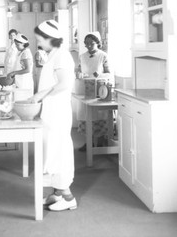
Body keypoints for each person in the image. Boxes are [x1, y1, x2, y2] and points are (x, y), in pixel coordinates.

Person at [32, 20, 77, 211]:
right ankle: (57, 194)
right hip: (51, 112)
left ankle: (68, 197)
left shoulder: (62, 56)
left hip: (58, 113)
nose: (39, 43)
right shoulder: (54, 55)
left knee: (58, 151)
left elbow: (65, 84)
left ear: (50, 38)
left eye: (40, 39)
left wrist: (39, 95)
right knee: (50, 150)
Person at [77, 32, 112, 150]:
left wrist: (100, 74)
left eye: (91, 43)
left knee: (99, 115)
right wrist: (79, 73)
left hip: (99, 89)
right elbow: (78, 70)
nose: (88, 46)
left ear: (97, 43)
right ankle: (89, 142)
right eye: (86, 44)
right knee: (86, 114)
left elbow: (109, 72)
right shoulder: (82, 56)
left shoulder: (103, 56)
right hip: (86, 88)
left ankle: (102, 141)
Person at [7, 33, 34, 97]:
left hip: (25, 82)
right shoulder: (21, 52)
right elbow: (20, 67)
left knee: (23, 100)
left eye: (18, 45)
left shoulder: (25, 53)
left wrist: (13, 73)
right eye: (16, 45)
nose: (16, 47)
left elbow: (27, 70)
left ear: (23, 44)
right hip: (20, 80)